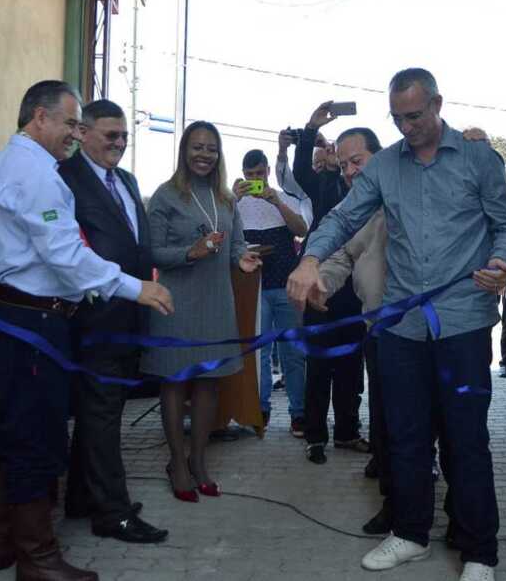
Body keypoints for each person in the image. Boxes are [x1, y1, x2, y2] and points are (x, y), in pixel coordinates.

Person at [288, 68, 506, 581]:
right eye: (397, 118)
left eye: (415, 115)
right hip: (400, 326)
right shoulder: (385, 168)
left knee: (465, 438)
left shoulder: (479, 159)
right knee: (406, 437)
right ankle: (410, 534)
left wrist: (503, 260)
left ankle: (480, 551)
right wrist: (310, 259)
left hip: (461, 322)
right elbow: (344, 218)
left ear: (438, 103)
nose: (406, 127)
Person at [0, 80, 173, 580]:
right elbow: (65, 254)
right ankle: (38, 560)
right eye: (69, 123)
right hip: (32, 323)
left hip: (5, 315)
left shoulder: (7, 163)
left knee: (2, 431)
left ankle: (4, 542)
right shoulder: (37, 174)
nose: (74, 133)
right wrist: (133, 288)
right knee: (34, 439)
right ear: (40, 117)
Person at [59, 100, 167, 543]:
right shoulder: (64, 180)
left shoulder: (127, 179)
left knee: (100, 412)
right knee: (102, 414)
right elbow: (69, 253)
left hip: (129, 317)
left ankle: (83, 498)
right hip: (93, 318)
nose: (120, 144)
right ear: (83, 133)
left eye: (124, 136)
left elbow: (137, 248)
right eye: (111, 136)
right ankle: (112, 513)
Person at [141, 122, 261, 502]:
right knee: (176, 382)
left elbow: (237, 244)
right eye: (197, 147)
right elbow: (151, 253)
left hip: (216, 303)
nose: (204, 155)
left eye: (211, 148)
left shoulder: (226, 199)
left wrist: (242, 259)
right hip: (175, 304)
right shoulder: (165, 196)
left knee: (209, 384)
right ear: (184, 151)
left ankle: (198, 460)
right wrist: (189, 253)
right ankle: (177, 462)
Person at [293, 103, 367, 449]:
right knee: (319, 365)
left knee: (351, 366)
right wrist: (310, 130)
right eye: (342, 157)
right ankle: (315, 437)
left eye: (357, 160)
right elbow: (299, 170)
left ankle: (348, 432)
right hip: (320, 284)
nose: (350, 166)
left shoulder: (374, 192)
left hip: (358, 291)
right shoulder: (323, 185)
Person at [234, 149, 310, 433]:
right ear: (243, 175)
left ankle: (298, 412)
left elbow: (302, 228)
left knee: (292, 352)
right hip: (255, 287)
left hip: (287, 285)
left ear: (267, 171)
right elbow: (223, 234)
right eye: (249, 175)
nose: (255, 180)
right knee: (260, 354)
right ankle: (260, 409)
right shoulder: (236, 203)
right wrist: (233, 200)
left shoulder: (283, 196)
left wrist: (276, 201)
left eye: (259, 174)